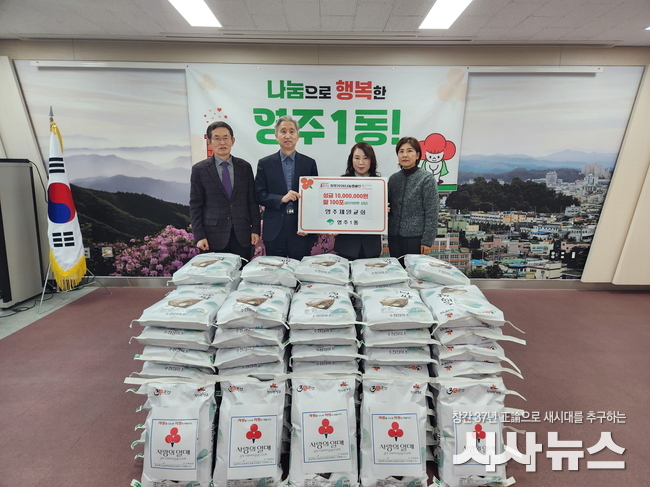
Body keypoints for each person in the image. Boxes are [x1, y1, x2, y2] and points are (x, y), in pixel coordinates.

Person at [189, 121, 261, 262]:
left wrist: (255, 230)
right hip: (212, 236)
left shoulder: (244, 167)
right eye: (217, 138)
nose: (222, 142)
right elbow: (195, 206)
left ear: (232, 141)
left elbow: (252, 201)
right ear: (209, 142)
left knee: (242, 271)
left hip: (242, 235)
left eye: (226, 138)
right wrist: (199, 236)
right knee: (216, 273)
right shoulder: (199, 170)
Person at [255, 115, 318, 260]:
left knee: (300, 270)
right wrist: (281, 199)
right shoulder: (265, 164)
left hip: (300, 230)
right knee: (275, 271)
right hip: (275, 230)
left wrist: (307, 225)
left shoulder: (309, 163)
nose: (287, 136)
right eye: (283, 131)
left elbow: (314, 198)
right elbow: (258, 195)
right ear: (276, 136)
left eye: (292, 131)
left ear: (298, 136)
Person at [387, 136, 438, 261]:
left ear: (417, 155)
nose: (405, 155)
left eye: (409, 151)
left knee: (414, 271)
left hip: (416, 238)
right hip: (394, 237)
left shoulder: (426, 178)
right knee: (397, 269)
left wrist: (427, 241)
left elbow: (432, 212)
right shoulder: (393, 179)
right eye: (401, 151)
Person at [332, 142, 383, 260]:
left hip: (371, 246)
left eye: (365, 158)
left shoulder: (380, 183)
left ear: (371, 160)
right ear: (351, 160)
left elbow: (386, 213)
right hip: (346, 245)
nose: (361, 162)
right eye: (357, 158)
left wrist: (384, 210)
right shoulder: (341, 182)